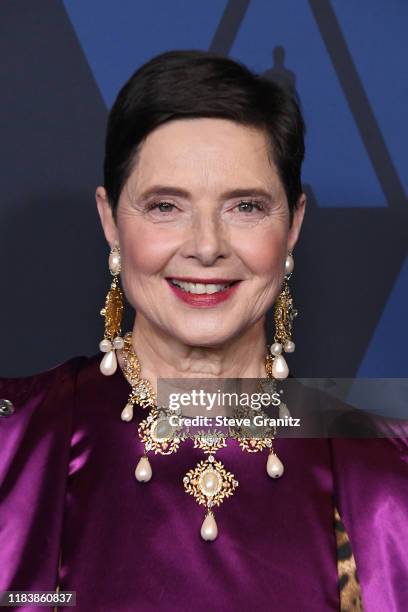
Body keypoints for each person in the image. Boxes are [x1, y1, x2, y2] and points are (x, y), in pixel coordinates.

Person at [0, 50, 407, 612]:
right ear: (109, 219)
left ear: (293, 226)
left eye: (245, 206)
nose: (207, 246)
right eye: (166, 206)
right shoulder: (11, 443)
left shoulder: (390, 475)